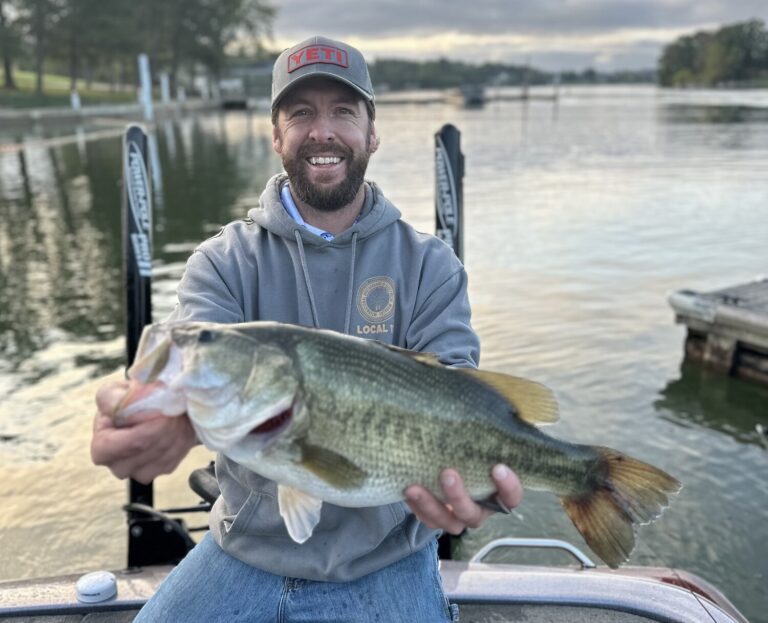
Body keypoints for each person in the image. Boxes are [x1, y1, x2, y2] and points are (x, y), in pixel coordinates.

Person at [91, 35, 523, 622]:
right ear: (276, 136)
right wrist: (143, 410)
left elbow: (461, 399)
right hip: (243, 551)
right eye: (301, 113)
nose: (323, 131)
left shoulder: (430, 266)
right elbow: (189, 351)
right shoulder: (222, 263)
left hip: (387, 560)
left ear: (371, 132)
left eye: (343, 111)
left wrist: (482, 487)